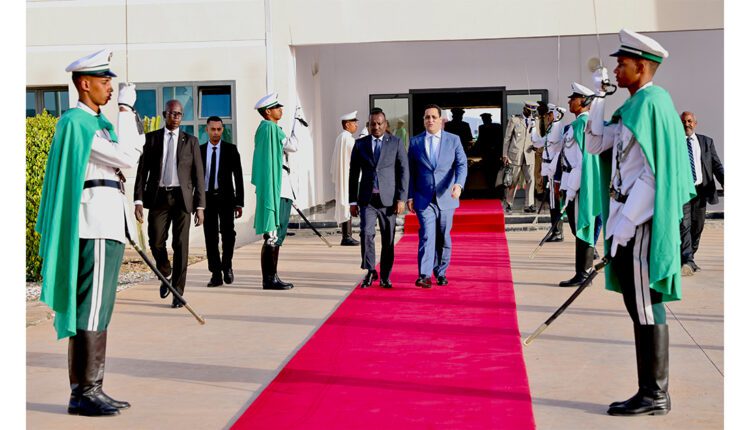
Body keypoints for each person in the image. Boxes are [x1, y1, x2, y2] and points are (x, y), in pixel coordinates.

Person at [585, 29, 695, 416]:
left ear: (642, 66)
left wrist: (627, 223)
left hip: (641, 221)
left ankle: (655, 394)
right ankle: (648, 390)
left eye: (622, 64)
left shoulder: (654, 103)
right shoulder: (634, 105)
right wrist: (598, 99)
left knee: (646, 305)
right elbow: (595, 144)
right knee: (638, 305)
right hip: (625, 215)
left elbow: (654, 174)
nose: (615, 70)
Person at [36, 49, 144, 416]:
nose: (110, 87)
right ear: (84, 84)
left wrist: (124, 121)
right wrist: (126, 112)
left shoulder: (99, 125)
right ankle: (84, 392)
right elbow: (128, 156)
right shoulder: (77, 123)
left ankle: (90, 388)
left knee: (99, 307)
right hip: (94, 224)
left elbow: (132, 152)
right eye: (104, 81)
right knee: (92, 307)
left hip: (108, 223)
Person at [134, 100, 206, 308]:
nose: (176, 117)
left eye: (179, 114)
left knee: (181, 246)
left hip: (183, 199)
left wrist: (200, 206)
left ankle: (177, 292)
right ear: (165, 114)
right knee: (156, 241)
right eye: (172, 113)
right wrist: (138, 200)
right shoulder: (152, 139)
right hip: (158, 197)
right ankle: (165, 271)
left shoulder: (191, 141)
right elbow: (142, 172)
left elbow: (199, 176)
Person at [407, 104, 468, 288]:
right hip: (423, 197)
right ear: (423, 120)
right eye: (427, 117)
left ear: (441, 120)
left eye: (434, 117)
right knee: (426, 235)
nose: (430, 120)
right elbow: (410, 172)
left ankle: (440, 272)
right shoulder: (415, 142)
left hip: (446, 196)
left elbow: (462, 164)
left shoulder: (453, 140)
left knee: (443, 236)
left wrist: (459, 184)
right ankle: (424, 275)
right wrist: (410, 196)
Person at [349, 108, 409, 288]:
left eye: (379, 123)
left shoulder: (396, 143)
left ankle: (385, 276)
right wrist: (352, 201)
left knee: (388, 238)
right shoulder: (360, 144)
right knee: (366, 234)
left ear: (385, 124)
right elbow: (353, 174)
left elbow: (404, 171)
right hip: (367, 200)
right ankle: (370, 271)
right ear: (368, 125)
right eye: (372, 124)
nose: (376, 127)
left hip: (389, 201)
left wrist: (401, 199)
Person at [252, 92, 300, 290]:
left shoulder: (267, 129)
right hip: (277, 188)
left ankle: (272, 277)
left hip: (281, 186)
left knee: (276, 235)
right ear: (268, 112)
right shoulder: (271, 128)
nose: (280, 110)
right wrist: (298, 124)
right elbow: (293, 146)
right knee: (273, 235)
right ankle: (269, 279)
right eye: (276, 107)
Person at [558, 83, 604, 287]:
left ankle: (583, 273)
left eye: (574, 98)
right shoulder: (576, 125)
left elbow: (581, 162)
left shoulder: (583, 125)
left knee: (583, 227)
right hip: (571, 182)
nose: (569, 101)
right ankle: (582, 272)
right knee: (579, 229)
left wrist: (570, 190)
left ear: (584, 101)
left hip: (578, 186)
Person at [679, 111, 724, 275]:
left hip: (701, 191)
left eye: (689, 121)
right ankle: (687, 260)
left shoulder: (706, 142)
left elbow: (716, 165)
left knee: (697, 226)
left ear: (695, 123)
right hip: (683, 191)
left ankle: (689, 257)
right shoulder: (675, 142)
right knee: (684, 225)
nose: (686, 124)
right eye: (683, 121)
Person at [200, 116, 244, 287]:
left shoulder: (230, 150)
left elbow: (238, 177)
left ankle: (227, 266)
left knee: (228, 234)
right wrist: (197, 204)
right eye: (213, 129)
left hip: (226, 199)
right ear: (207, 130)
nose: (216, 132)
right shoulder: (200, 150)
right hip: (207, 199)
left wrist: (239, 202)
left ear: (222, 130)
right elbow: (194, 178)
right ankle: (216, 273)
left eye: (219, 129)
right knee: (210, 237)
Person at [531, 102, 565, 242]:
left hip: (553, 170)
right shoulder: (552, 128)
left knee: (554, 203)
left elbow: (557, 151)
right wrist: (533, 127)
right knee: (552, 203)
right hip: (549, 169)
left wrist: (552, 170)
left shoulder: (557, 128)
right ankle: (555, 230)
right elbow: (538, 143)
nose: (547, 117)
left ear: (555, 115)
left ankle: (557, 231)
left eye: (549, 114)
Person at [330, 111, 360, 246]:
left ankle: (347, 235)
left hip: (344, 176)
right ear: (347, 124)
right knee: (347, 203)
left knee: (345, 203)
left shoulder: (340, 137)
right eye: (354, 122)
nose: (356, 125)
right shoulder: (348, 139)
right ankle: (346, 236)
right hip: (348, 176)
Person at [503, 101, 537, 214]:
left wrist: (537, 146)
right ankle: (509, 204)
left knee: (530, 180)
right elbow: (507, 138)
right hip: (515, 155)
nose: (531, 114)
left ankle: (529, 204)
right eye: (529, 111)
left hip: (529, 154)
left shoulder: (535, 122)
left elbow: (537, 137)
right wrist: (505, 154)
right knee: (513, 181)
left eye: (533, 112)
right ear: (524, 109)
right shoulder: (515, 120)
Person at [476, 113, 503, 192]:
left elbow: (500, 138)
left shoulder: (496, 127)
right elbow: (480, 140)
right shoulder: (484, 127)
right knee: (489, 171)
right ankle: (492, 187)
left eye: (485, 119)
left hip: (493, 153)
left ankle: (494, 187)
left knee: (493, 170)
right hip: (488, 153)